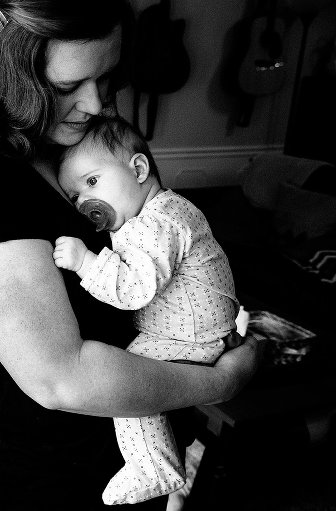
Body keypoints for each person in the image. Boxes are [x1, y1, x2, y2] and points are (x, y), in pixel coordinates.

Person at [0, 1, 261, 509]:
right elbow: (62, 378)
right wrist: (218, 382)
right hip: (53, 463)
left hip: (129, 412)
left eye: (105, 77)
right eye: (67, 87)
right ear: (8, 72)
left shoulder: (59, 135)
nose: (97, 105)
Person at [53, 115, 240, 505]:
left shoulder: (153, 226)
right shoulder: (166, 208)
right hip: (197, 329)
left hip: (189, 336)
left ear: (138, 169)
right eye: (75, 196)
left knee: (128, 383)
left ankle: (155, 466)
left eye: (92, 182)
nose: (86, 202)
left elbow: (134, 289)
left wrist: (86, 262)